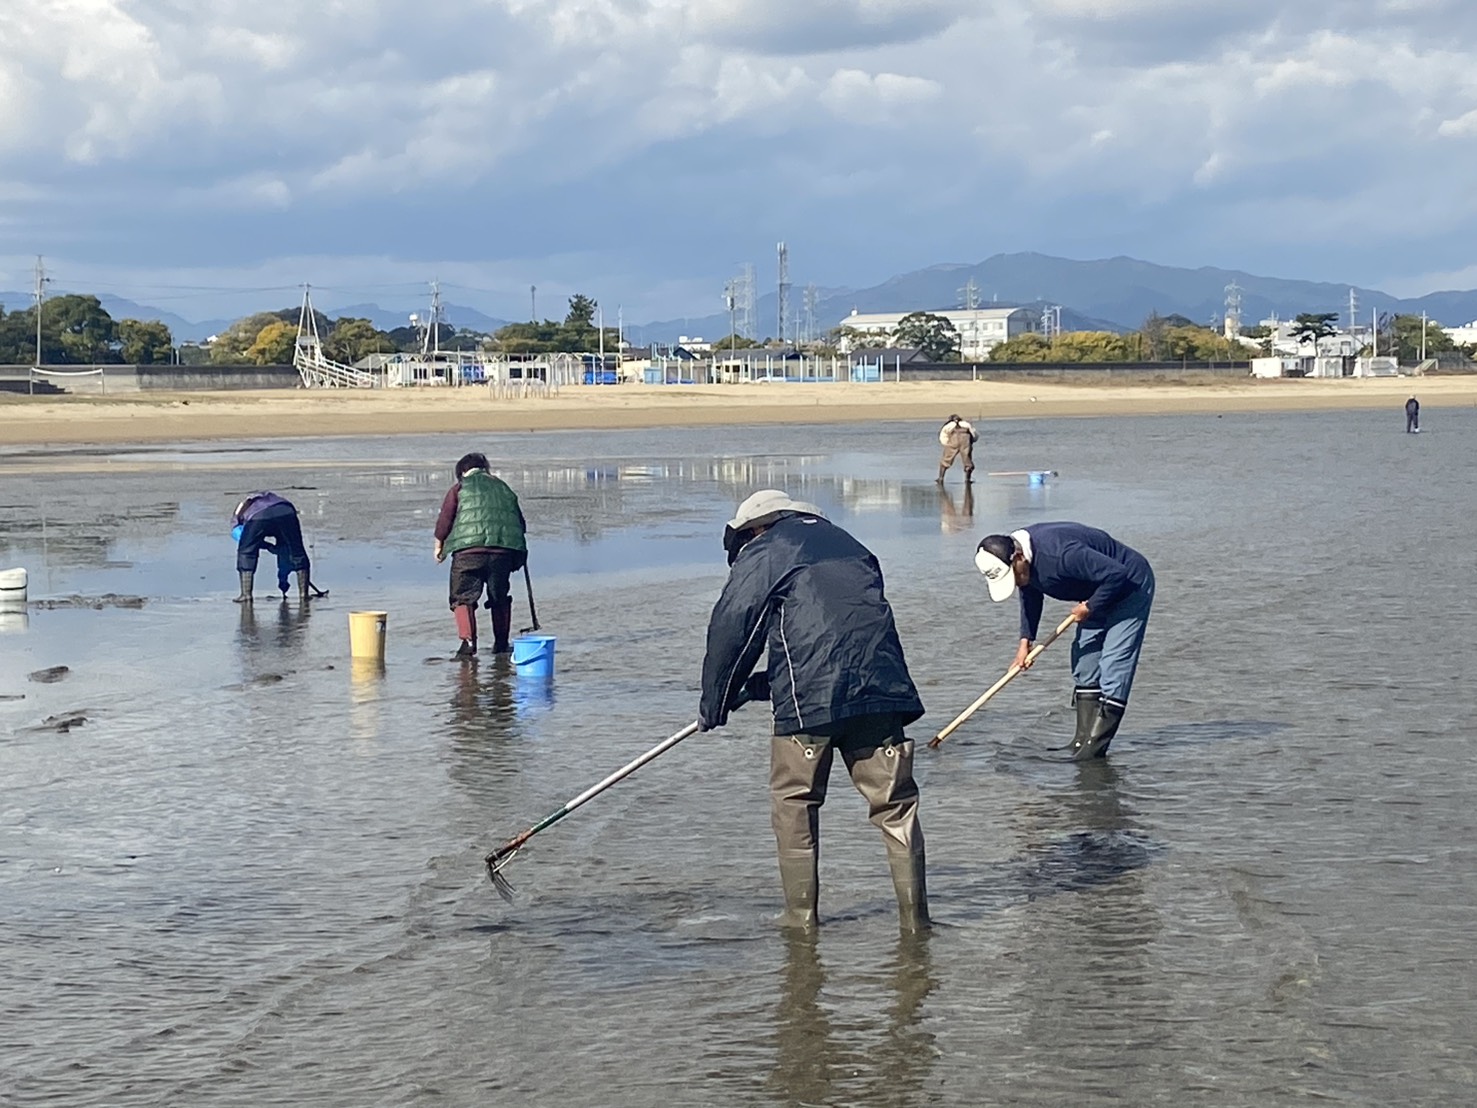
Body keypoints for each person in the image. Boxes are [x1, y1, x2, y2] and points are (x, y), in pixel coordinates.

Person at [700, 490, 929, 932]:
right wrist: (764, 684)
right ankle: (916, 924)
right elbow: (839, 633)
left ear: (755, 528)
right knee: (897, 808)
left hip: (808, 710)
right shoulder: (853, 546)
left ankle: (800, 921)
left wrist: (715, 701)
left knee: (795, 804)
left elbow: (733, 626)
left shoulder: (767, 550)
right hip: (882, 695)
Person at [975, 522, 1154, 760]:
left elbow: (1116, 574)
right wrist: (1025, 642)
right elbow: (1030, 594)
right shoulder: (1023, 564)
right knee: (1084, 663)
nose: (1016, 582)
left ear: (1018, 557)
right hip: (1095, 592)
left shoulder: (1061, 554)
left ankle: (1094, 747)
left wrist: (1090, 606)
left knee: (1113, 665)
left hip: (1129, 586)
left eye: (1014, 575)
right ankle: (1080, 740)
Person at [434, 452, 527, 657]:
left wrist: (439, 545)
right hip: (501, 551)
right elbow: (520, 523)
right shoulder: (503, 487)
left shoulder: (459, 489)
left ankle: (468, 643)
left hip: (468, 552)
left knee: (462, 596)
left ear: (462, 472)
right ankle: (501, 643)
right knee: (499, 596)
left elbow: (445, 519)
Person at [232, 492, 312, 603]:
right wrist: (271, 547)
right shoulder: (277, 499)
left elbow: (243, 538)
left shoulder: (239, 512)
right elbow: (284, 546)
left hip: (258, 516)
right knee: (296, 550)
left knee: (246, 552)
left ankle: (246, 595)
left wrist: (265, 546)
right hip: (286, 512)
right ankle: (304, 594)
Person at [937, 414, 978, 484]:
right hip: (965, 440)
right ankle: (967, 479)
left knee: (946, 459)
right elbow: (974, 434)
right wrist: (972, 441)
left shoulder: (949, 425)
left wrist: (946, 444)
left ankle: (941, 478)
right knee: (967, 460)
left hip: (953, 439)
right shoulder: (966, 424)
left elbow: (943, 435)